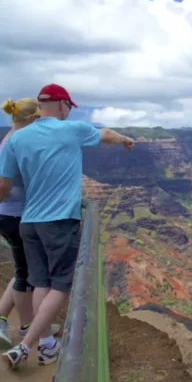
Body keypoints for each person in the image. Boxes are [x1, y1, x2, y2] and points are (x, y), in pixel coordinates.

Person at [0, 84, 135, 369]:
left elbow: (4, 184)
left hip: (28, 222)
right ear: (62, 105)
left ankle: (47, 344)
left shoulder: (16, 139)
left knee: (40, 283)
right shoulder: (72, 130)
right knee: (62, 285)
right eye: (70, 107)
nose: (70, 111)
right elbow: (107, 134)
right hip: (59, 221)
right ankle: (25, 347)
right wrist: (125, 139)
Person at [0, 98, 60, 349]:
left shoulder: (10, 140)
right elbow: (4, 186)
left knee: (23, 269)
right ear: (34, 120)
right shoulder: (13, 143)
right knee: (27, 274)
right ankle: (26, 325)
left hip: (16, 214)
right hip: (15, 215)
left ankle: (5, 319)